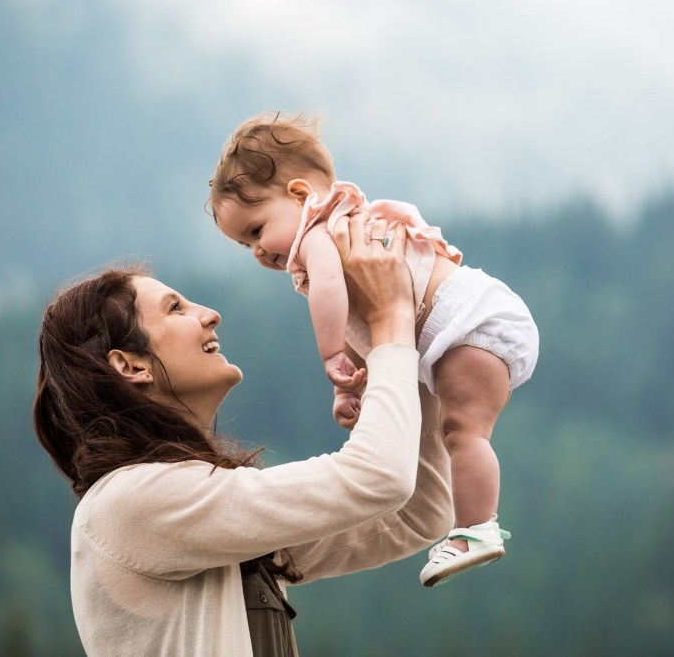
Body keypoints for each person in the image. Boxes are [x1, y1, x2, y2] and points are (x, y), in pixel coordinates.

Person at [32, 214, 453, 656]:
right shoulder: (133, 502)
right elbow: (378, 478)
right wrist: (388, 321)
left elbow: (413, 515)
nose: (210, 315)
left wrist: (398, 334)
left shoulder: (189, 514)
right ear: (131, 365)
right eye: (176, 309)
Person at [207, 111, 539, 587]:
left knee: (463, 432)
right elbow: (365, 326)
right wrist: (352, 386)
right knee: (461, 431)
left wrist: (329, 357)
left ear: (300, 195)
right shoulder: (342, 230)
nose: (259, 252)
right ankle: (472, 527)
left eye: (257, 230)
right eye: (245, 246)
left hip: (467, 322)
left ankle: (476, 529)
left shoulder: (319, 235)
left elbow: (329, 294)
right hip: (467, 327)